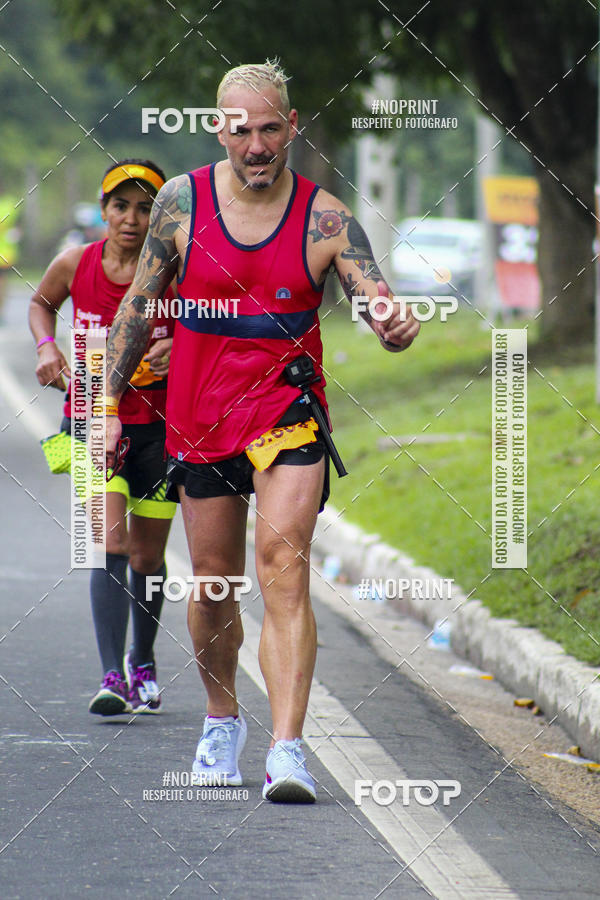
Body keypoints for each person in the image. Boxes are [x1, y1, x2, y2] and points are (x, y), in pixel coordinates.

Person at [100, 62, 420, 800]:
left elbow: (378, 303)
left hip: (287, 409)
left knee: (283, 563)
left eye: (269, 127)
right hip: (201, 411)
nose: (255, 143)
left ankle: (288, 747)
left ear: (293, 125)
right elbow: (138, 311)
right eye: (240, 129)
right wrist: (105, 408)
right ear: (219, 128)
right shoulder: (179, 204)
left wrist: (394, 324)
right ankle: (222, 720)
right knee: (213, 584)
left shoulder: (326, 219)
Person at [29, 159, 177, 716]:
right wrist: (48, 347)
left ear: (162, 215)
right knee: (107, 544)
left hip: (161, 427)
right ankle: (112, 675)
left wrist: (181, 347)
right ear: (104, 207)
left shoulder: (178, 270)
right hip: (94, 415)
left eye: (146, 208)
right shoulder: (76, 263)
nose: (133, 220)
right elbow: (41, 304)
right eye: (122, 206)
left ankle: (143, 658)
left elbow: (212, 324)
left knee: (147, 553)